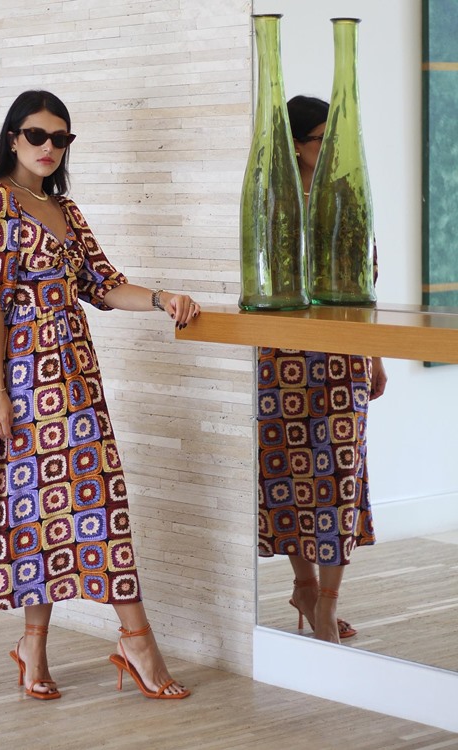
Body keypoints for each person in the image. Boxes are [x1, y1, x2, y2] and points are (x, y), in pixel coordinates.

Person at [0, 90, 198, 700]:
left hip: (78, 377)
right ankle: (133, 638)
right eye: (36, 135)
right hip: (29, 382)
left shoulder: (65, 208)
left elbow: (104, 285)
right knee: (57, 504)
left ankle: (34, 647)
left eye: (60, 139)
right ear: (12, 137)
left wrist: (163, 297)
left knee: (74, 502)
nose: (48, 148)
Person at [257, 95, 388, 644]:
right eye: (320, 139)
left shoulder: (347, 195)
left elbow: (367, 282)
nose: (333, 148)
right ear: (293, 145)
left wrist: (374, 353)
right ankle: (305, 589)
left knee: (338, 478)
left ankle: (327, 606)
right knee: (288, 476)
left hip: (341, 358)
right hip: (280, 362)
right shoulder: (269, 201)